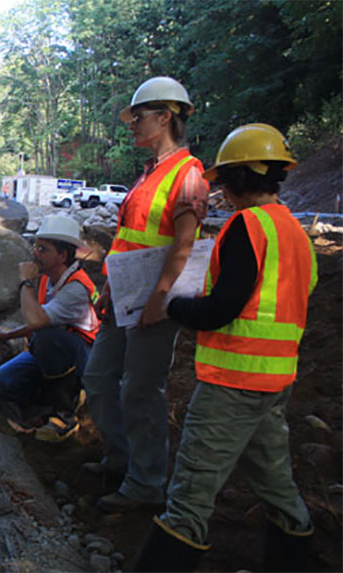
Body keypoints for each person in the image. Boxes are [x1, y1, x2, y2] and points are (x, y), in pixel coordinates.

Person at [132, 124, 316, 572]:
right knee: (276, 484)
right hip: (274, 384)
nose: (222, 192)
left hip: (231, 384)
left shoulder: (246, 227)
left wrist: (176, 306)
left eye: (225, 181)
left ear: (236, 178)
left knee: (191, 493)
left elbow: (223, 308)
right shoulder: (295, 232)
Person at [82, 76, 210, 513]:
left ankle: (145, 483)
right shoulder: (148, 175)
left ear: (165, 117)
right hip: (125, 295)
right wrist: (106, 288)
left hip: (154, 300)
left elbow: (184, 243)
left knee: (141, 389)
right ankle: (123, 458)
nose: (131, 125)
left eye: (137, 117)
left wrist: (161, 297)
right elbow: (127, 238)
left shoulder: (188, 174)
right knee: (98, 380)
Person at [0, 214, 100, 442]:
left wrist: (25, 282)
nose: (35, 253)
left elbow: (38, 323)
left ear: (63, 254)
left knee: (47, 339)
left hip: (85, 356)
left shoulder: (75, 287)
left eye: (42, 249)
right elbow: (39, 321)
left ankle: (65, 413)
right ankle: (38, 414)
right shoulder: (49, 279)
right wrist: (6, 335)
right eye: (36, 247)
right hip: (56, 350)